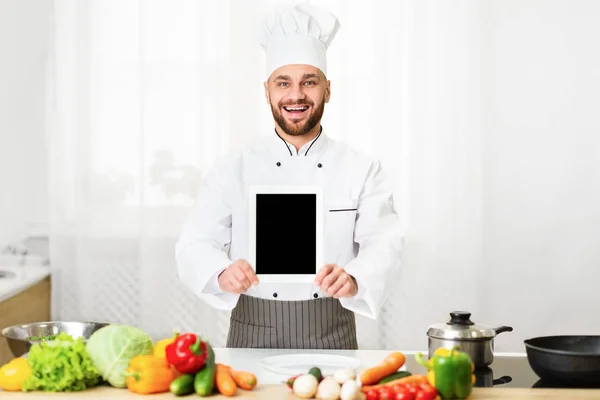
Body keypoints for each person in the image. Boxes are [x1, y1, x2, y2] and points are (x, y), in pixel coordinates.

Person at [176, 3, 403, 350]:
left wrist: (355, 278)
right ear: (267, 90)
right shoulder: (233, 166)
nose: (296, 95)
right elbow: (194, 241)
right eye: (284, 83)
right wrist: (220, 272)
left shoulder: (361, 168)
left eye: (308, 82)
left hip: (332, 329)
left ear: (327, 89)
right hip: (253, 326)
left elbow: (384, 242)